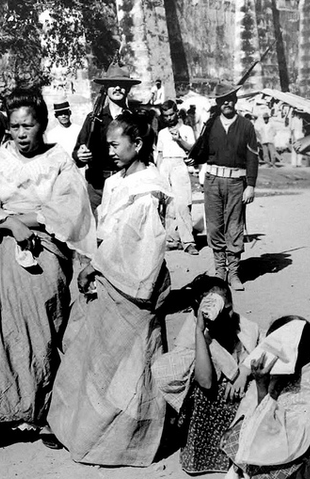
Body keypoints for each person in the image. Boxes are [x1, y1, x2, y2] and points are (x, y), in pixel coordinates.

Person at [0, 89, 96, 442]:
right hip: (3, 252)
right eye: (15, 126)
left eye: (27, 125)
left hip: (45, 252)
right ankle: (2, 410)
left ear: (41, 125)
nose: (20, 133)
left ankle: (46, 411)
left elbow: (69, 208)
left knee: (45, 327)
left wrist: (24, 220)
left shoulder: (59, 159)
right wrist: (8, 223)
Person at [48, 112, 172, 467]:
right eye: (109, 145)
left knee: (131, 363)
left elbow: (135, 243)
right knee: (96, 357)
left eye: (117, 144)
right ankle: (87, 432)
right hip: (108, 273)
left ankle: (126, 441)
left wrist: (95, 265)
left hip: (130, 279)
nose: (112, 151)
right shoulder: (118, 180)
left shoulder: (148, 188)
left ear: (138, 144)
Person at [152, 274, 260, 475]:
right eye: (221, 312)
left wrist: (244, 371)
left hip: (239, 395)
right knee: (204, 392)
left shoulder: (241, 325)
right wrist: (200, 332)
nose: (227, 316)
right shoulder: (192, 335)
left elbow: (263, 350)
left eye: (229, 309)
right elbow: (206, 381)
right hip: (210, 402)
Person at [221, 315, 310, 479]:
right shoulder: (298, 366)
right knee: (242, 429)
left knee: (266, 469)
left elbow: (279, 437)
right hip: (290, 436)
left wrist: (262, 387)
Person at [191, 83, 258, 291]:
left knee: (234, 226)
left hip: (237, 183)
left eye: (229, 98)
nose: (226, 102)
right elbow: (200, 150)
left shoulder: (246, 126)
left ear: (235, 100)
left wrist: (251, 185)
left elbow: (252, 157)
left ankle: (234, 273)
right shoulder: (210, 124)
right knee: (214, 225)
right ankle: (220, 271)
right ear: (218, 103)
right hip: (212, 180)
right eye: (222, 100)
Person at [73, 64, 141, 211]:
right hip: (98, 187)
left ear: (128, 89)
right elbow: (78, 152)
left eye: (122, 85)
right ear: (106, 88)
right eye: (113, 85)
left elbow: (144, 155)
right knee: (95, 230)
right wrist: (80, 155)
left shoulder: (135, 120)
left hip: (126, 184)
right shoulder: (93, 119)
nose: (117, 88)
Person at [157, 100, 198, 255]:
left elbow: (193, 150)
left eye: (171, 114)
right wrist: (158, 175)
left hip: (180, 165)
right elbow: (160, 154)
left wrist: (180, 140)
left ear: (177, 112)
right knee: (167, 204)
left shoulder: (187, 129)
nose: (169, 118)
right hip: (165, 165)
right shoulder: (162, 133)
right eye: (165, 115)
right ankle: (172, 239)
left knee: (183, 203)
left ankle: (188, 241)